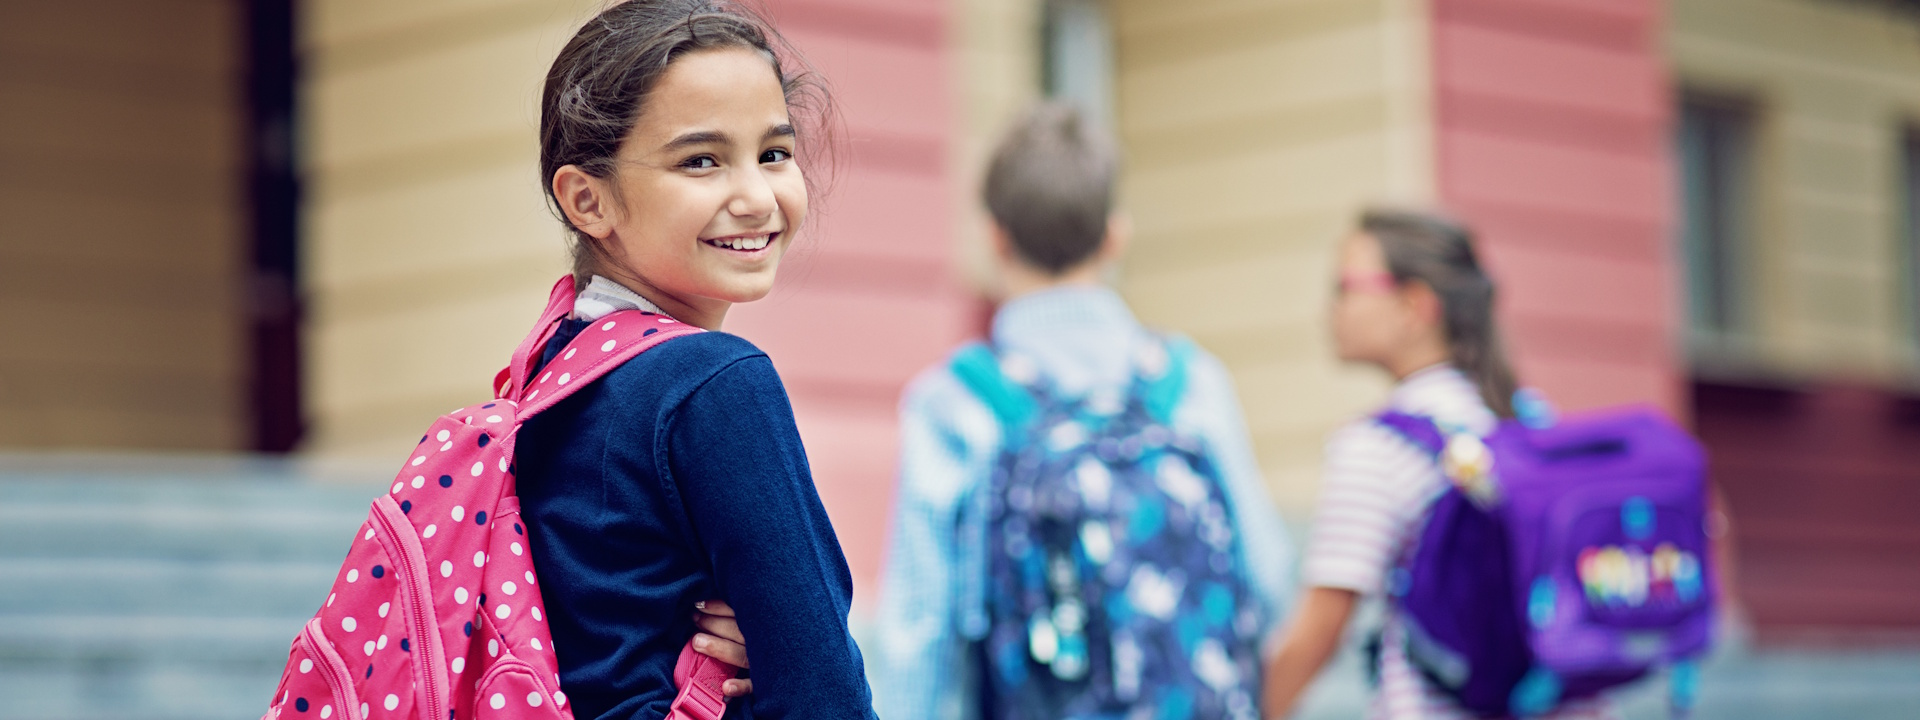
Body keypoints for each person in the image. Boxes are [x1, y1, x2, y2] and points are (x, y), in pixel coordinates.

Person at [509, 2, 877, 718]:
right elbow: (822, 690)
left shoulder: (550, 373)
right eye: (701, 160)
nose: (755, 196)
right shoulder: (714, 384)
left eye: (774, 153)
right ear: (588, 199)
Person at [872, 102, 1295, 720]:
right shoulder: (1189, 381)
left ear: (995, 237)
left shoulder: (954, 402)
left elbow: (921, 631)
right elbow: (1266, 578)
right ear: (1115, 236)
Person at [1259, 208, 1614, 719]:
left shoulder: (1378, 446)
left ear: (1414, 305)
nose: (1329, 309)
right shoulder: (1530, 422)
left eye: (1345, 286)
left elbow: (1319, 630)